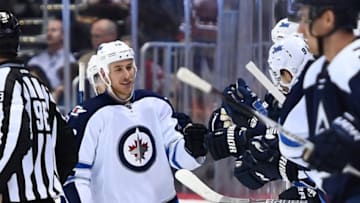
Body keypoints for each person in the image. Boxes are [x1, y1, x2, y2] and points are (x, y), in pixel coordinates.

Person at [63, 40, 208, 203]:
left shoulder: (154, 104)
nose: (126, 75)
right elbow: (75, 177)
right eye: (118, 69)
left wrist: (193, 148)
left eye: (129, 67)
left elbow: (180, 158)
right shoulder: (86, 117)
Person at [278, 0, 360, 202]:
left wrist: (348, 133)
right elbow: (292, 138)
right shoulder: (315, 74)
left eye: (306, 19)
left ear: (328, 19)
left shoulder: (354, 64)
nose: (301, 29)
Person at [0, 10, 77, 203]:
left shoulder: (4, 81)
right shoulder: (38, 85)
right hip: (45, 196)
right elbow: (68, 143)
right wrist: (45, 183)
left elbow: (14, 136)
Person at [27, 17, 77, 92]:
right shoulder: (36, 60)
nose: (49, 34)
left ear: (63, 35)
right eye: (47, 30)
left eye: (53, 30)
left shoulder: (69, 60)